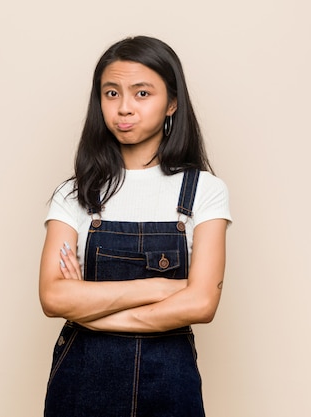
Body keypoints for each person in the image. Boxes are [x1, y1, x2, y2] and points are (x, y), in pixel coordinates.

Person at [39, 35, 232, 417]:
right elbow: (54, 298)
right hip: (81, 378)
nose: (124, 108)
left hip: (169, 381)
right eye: (111, 94)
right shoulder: (74, 194)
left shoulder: (204, 191)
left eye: (142, 94)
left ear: (172, 103)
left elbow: (202, 302)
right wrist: (160, 287)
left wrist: (93, 314)